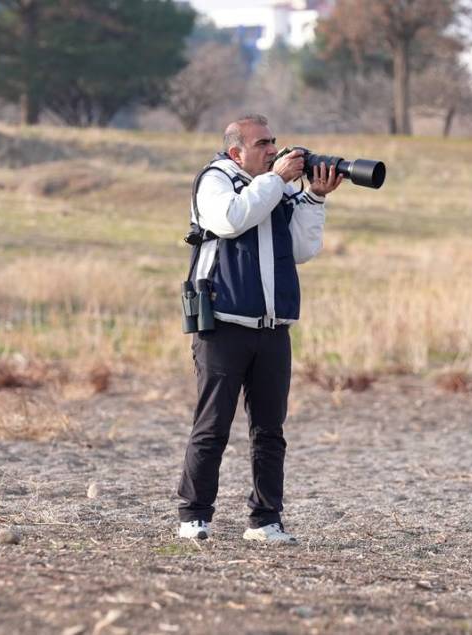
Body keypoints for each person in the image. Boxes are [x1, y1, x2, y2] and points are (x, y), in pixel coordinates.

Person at [176, 114, 343, 543]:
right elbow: (230, 220)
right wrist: (276, 181)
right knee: (212, 425)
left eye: (275, 142)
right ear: (237, 152)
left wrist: (314, 199)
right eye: (263, 143)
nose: (275, 151)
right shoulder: (215, 180)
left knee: (270, 431)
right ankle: (194, 517)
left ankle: (266, 521)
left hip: (273, 328)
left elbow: (302, 250)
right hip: (224, 325)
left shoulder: (277, 186)